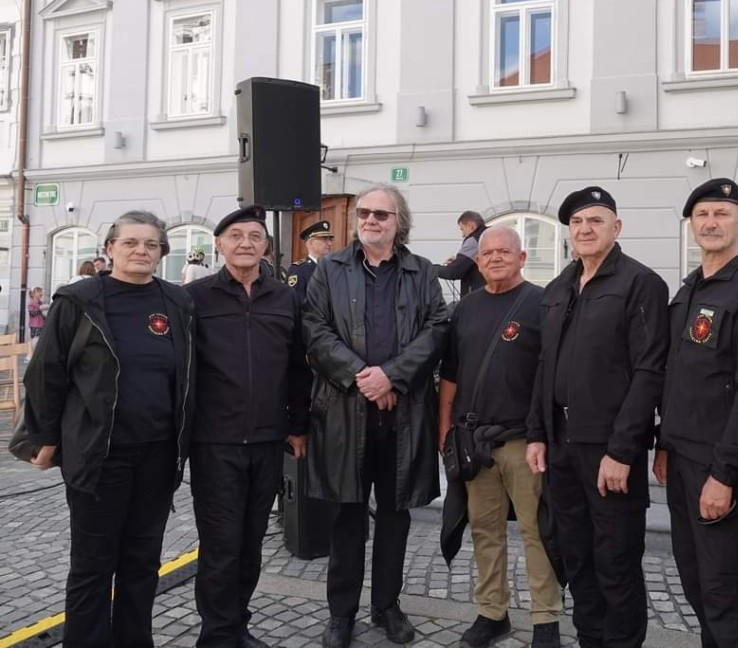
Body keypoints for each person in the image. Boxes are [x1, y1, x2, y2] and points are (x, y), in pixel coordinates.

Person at [22, 210, 196, 648]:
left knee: (142, 562)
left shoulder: (176, 302)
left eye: (151, 244)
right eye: (130, 242)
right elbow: (46, 373)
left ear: (162, 252)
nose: (141, 251)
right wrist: (45, 438)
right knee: (93, 565)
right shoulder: (79, 300)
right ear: (110, 249)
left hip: (158, 456)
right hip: (100, 455)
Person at [302, 184, 448, 648]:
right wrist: (363, 377)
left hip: (403, 416)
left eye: (381, 214)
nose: (370, 219)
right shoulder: (329, 269)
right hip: (346, 414)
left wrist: (392, 377)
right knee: (346, 517)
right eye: (364, 212)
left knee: (394, 517)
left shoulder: (422, 271)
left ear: (398, 221)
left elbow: (437, 329)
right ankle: (340, 614)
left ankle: (386, 605)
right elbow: (314, 329)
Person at [526, 186, 669, 648]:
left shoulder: (640, 283)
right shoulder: (559, 288)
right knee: (577, 558)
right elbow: (544, 365)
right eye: (577, 222)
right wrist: (537, 433)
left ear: (616, 227)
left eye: (595, 221)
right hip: (561, 445)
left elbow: (649, 371)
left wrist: (622, 451)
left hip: (608, 450)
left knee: (616, 561)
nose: (585, 229)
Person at [653, 179, 738, 648]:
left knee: (725, 587)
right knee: (695, 580)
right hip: (682, 458)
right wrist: (665, 443)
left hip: (719, 464)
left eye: (721, 214)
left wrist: (725, 474)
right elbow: (677, 376)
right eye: (702, 215)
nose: (710, 223)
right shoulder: (690, 289)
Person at [186, 205, 312, 648]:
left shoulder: (285, 298)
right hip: (214, 442)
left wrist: (297, 425)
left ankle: (237, 625)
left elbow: (298, 367)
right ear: (219, 245)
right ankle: (217, 635)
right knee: (221, 545)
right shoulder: (195, 298)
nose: (245, 243)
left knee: (251, 542)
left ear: (266, 246)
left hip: (268, 440)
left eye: (255, 236)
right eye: (236, 236)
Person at [439, 226, 562, 648]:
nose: (495, 258)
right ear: (477, 262)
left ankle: (546, 619)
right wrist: (445, 430)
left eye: (504, 252)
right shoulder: (465, 308)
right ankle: (492, 612)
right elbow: (450, 375)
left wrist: (544, 435)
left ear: (522, 258)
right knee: (484, 530)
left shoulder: (541, 304)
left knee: (537, 532)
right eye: (487, 253)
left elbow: (552, 377)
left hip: (524, 442)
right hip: (474, 443)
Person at [435, 210, 487, 297]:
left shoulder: (474, 241)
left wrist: (430, 268)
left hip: (476, 296)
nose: (463, 235)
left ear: (470, 225)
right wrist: (459, 261)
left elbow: (453, 272)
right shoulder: (489, 236)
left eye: (462, 229)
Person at [288, 221, 333, 301]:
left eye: (330, 239)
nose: (330, 243)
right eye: (324, 239)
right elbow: (294, 301)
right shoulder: (299, 270)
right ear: (311, 243)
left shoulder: (333, 268)